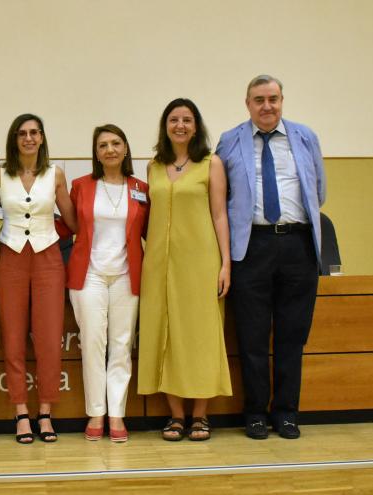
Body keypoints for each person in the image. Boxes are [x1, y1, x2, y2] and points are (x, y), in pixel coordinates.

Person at [215, 74, 326, 440]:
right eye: (259, 99)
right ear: (247, 104)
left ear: (282, 101)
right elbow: (221, 198)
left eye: (273, 99)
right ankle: (256, 414)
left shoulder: (305, 137)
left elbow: (319, 190)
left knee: (293, 337)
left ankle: (287, 413)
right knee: (252, 337)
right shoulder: (230, 141)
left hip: (297, 245)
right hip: (252, 247)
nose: (267, 106)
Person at [137, 99, 232, 441]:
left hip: (200, 262)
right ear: (165, 126)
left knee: (200, 336)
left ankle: (200, 417)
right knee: (164, 335)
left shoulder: (211, 164)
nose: (180, 125)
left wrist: (225, 264)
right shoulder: (153, 167)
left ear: (196, 126)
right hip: (159, 264)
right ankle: (176, 416)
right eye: (174, 119)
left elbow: (220, 215)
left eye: (187, 120)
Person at [0, 114, 76, 444]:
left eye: (34, 133)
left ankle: (45, 412)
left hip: (48, 259)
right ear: (14, 139)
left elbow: (70, 216)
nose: (28, 138)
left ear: (42, 138)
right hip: (11, 257)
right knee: (12, 338)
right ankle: (21, 413)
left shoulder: (56, 174)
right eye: (22, 133)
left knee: (47, 337)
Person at [66, 124, 149, 443]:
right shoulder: (81, 186)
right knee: (92, 342)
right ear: (96, 153)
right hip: (89, 275)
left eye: (116, 143)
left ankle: (117, 413)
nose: (110, 149)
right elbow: (68, 225)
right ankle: (96, 412)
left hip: (127, 274)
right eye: (103, 145)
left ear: (126, 148)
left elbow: (151, 231)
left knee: (121, 344)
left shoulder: (141, 187)